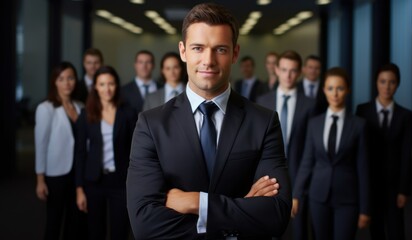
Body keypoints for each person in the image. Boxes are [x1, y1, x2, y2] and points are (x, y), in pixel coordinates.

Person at [127, 3, 291, 239]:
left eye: (220, 50)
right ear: (183, 51)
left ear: (235, 53)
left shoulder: (264, 122)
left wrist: (196, 202)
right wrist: (239, 211)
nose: (208, 60)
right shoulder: (151, 125)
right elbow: (144, 223)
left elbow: (276, 215)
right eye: (198, 48)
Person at [292, 67, 370, 240]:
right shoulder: (314, 124)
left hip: (348, 199)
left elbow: (363, 169)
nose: (335, 94)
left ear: (348, 90)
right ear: (324, 90)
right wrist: (296, 195)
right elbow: (307, 161)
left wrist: (365, 209)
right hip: (318, 197)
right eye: (330, 88)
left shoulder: (359, 125)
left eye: (340, 88)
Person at [257, 50, 315, 240]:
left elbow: (310, 149)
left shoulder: (310, 105)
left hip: (299, 174)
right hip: (269, 176)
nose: (288, 75)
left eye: (293, 71)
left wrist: (299, 190)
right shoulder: (262, 102)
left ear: (299, 73)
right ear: (276, 70)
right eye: (284, 70)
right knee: (270, 230)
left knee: (299, 231)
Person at [74, 66, 136, 240]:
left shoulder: (128, 113)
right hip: (94, 180)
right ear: (95, 87)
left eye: (111, 84)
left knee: (120, 231)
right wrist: (79, 190)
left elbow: (136, 150)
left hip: (120, 181)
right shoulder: (86, 114)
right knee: (95, 232)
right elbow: (80, 153)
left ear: (117, 86)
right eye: (102, 84)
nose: (107, 89)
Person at [356, 63, 412, 240]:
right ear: (376, 83)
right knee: (376, 230)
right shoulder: (362, 110)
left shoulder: (405, 115)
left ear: (397, 84)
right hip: (370, 182)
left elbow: (406, 154)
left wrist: (404, 190)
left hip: (394, 184)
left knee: (397, 230)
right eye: (383, 81)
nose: (387, 86)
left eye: (392, 82)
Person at [34, 61, 85, 240]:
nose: (66, 83)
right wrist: (40, 179)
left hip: (78, 173)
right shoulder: (45, 108)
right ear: (54, 82)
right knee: (54, 221)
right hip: (56, 173)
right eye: (61, 78)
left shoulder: (80, 106)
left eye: (70, 78)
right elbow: (41, 144)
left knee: (75, 221)